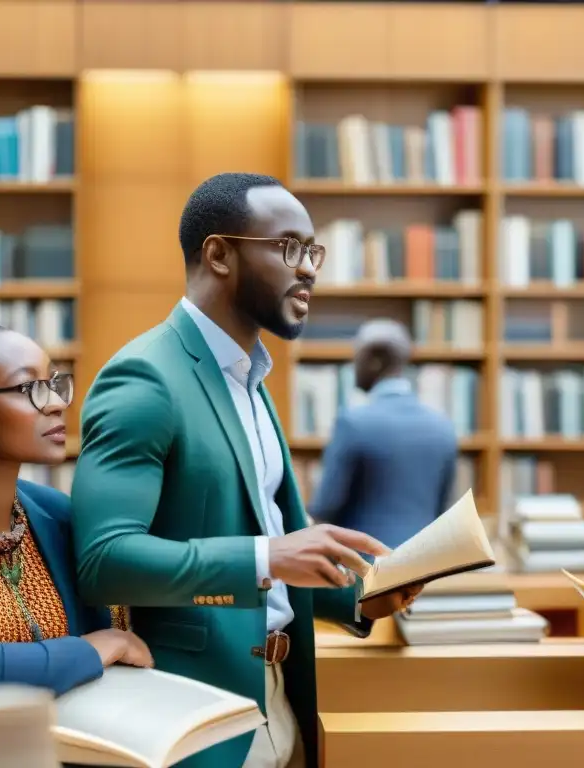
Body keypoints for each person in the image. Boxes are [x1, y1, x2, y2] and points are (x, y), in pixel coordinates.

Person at [70, 173, 421, 768]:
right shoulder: (145, 377)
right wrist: (269, 555)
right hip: (200, 716)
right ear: (219, 254)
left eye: (313, 252)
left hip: (283, 699)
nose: (308, 269)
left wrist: (360, 599)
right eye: (289, 247)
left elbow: (272, 568)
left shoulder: (251, 383)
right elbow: (104, 562)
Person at [0, 286, 153, 702]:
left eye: (54, 383)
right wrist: (105, 645)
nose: (55, 403)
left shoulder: (57, 514)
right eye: (29, 389)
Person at [308, 318, 459, 549]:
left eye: (356, 358)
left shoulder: (353, 423)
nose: (353, 367)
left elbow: (326, 507)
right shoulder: (443, 427)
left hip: (366, 569)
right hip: (426, 568)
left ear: (374, 361)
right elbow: (442, 510)